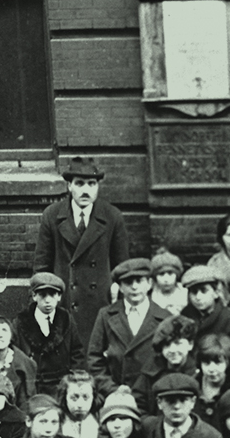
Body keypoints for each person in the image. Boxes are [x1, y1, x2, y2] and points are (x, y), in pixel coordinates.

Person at [34, 155, 130, 348]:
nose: (85, 190)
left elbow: (122, 268)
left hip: (99, 306)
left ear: (98, 186)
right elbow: (42, 268)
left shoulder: (112, 216)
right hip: (64, 303)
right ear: (69, 186)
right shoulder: (52, 215)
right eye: (79, 183)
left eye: (91, 184)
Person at [87, 258, 166, 392]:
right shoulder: (106, 315)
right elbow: (94, 358)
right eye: (128, 282)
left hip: (153, 393)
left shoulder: (164, 317)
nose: (134, 287)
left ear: (150, 284)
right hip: (117, 393)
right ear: (120, 287)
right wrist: (111, 388)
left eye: (139, 281)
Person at [12, 272, 86, 396]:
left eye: (52, 295)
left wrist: (73, 384)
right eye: (42, 295)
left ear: (59, 297)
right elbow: (14, 356)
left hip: (60, 387)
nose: (47, 300)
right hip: (31, 387)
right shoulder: (20, 323)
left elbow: (77, 354)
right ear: (34, 296)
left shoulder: (67, 320)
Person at [132, 315, 198, 415]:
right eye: (167, 345)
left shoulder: (199, 372)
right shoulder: (151, 372)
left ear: (190, 344)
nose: (172, 350)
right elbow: (138, 404)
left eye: (178, 343)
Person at [149, 251, 187, 316]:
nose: (166, 279)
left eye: (170, 273)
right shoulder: (150, 294)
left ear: (177, 275)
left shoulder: (185, 292)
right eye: (161, 274)